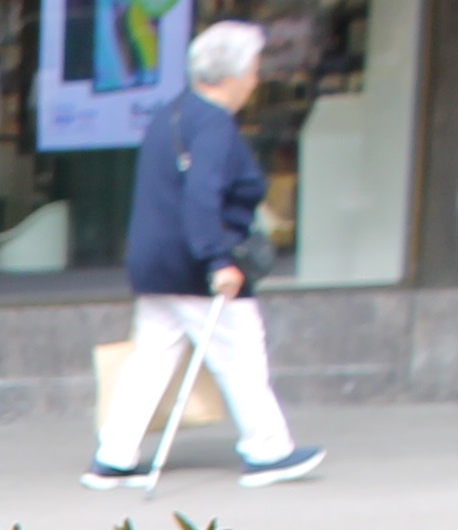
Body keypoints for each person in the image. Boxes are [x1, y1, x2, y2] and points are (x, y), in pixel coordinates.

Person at [87, 23, 324, 487]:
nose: (255, 80)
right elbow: (203, 195)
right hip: (196, 263)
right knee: (240, 353)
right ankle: (268, 449)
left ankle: (114, 456)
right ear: (232, 75)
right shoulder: (214, 124)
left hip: (156, 260)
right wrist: (217, 259)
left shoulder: (172, 113)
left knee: (151, 358)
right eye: (252, 70)